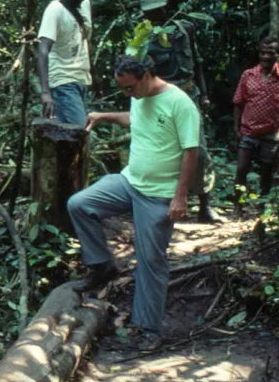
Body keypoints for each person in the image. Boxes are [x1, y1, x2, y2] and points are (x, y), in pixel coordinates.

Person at [68, 55, 199, 343]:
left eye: (129, 88)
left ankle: (147, 328)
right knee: (79, 204)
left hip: (160, 194)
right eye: (123, 90)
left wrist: (180, 197)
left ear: (147, 75)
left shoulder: (180, 103)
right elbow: (135, 118)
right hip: (129, 182)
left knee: (150, 258)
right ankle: (102, 266)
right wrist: (104, 116)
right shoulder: (138, 97)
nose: (128, 94)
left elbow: (192, 150)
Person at [139, 0, 221, 223]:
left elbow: (197, 64)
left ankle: (205, 204)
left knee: (199, 150)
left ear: (166, 9)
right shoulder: (144, 37)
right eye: (151, 14)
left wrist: (203, 94)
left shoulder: (185, 29)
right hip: (162, 100)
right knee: (164, 152)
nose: (156, 17)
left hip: (189, 95)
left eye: (159, 12)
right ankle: (163, 204)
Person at [231, 37, 279, 204]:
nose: (266, 57)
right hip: (248, 130)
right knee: (241, 169)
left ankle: (262, 206)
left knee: (267, 171)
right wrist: (236, 127)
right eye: (263, 53)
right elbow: (238, 103)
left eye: (271, 53)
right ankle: (238, 205)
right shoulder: (248, 75)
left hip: (272, 133)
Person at [36, 0, 94, 126]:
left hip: (81, 80)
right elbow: (42, 50)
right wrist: (45, 93)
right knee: (80, 131)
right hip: (62, 81)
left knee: (70, 135)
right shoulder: (55, 10)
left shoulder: (86, 4)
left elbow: (83, 41)